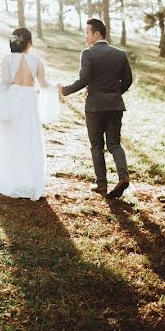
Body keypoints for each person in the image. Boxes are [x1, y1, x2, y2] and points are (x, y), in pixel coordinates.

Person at [58, 18, 133, 198]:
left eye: (87, 33)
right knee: (114, 143)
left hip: (94, 107)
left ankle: (101, 185)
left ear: (96, 34)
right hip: (115, 105)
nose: (85, 37)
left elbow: (84, 80)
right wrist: (114, 94)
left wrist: (65, 90)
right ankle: (123, 176)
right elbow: (128, 81)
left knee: (96, 146)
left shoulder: (88, 53)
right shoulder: (121, 54)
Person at [0, 27, 58, 200]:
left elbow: (5, 83)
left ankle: (7, 178)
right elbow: (44, 85)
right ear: (29, 43)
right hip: (30, 100)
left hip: (13, 99)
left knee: (8, 138)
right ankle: (28, 181)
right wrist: (56, 87)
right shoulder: (37, 61)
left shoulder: (7, 59)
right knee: (29, 138)